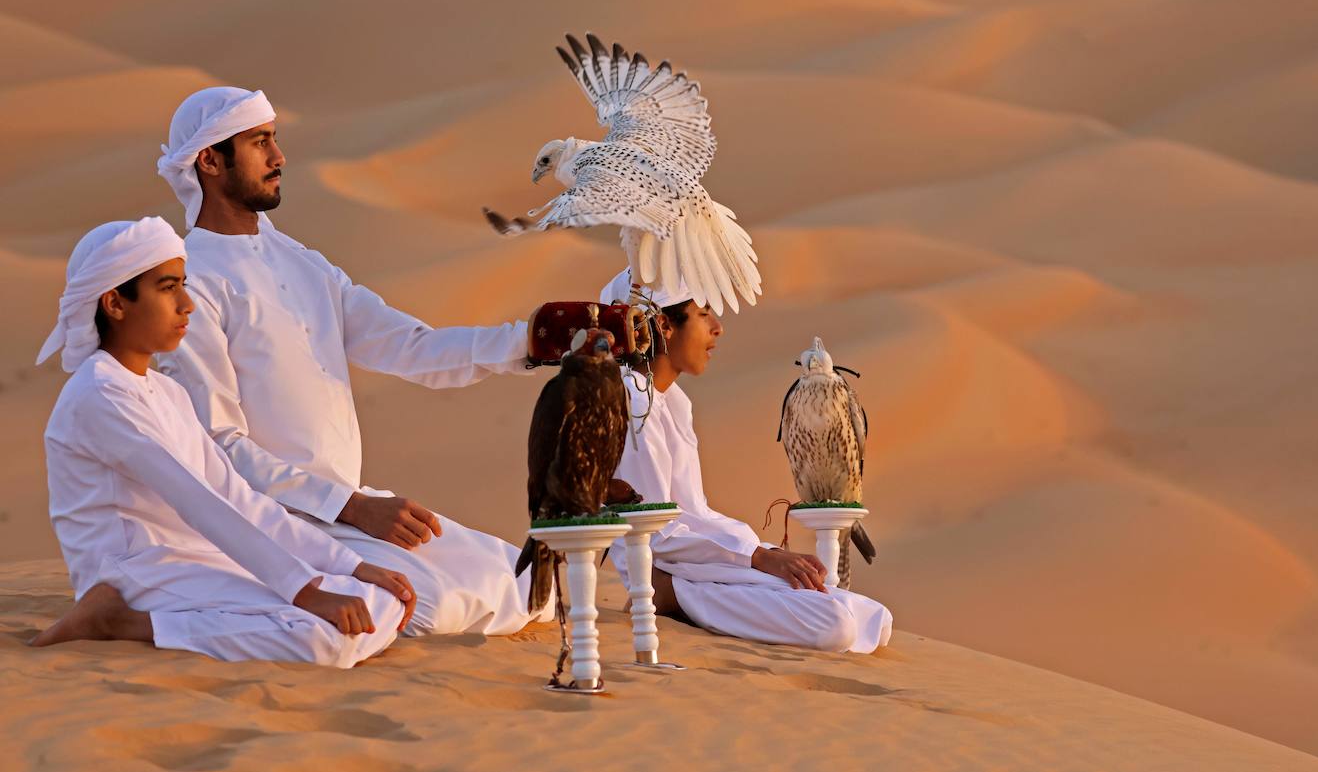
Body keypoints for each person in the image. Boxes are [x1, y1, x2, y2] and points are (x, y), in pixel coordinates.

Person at [154, 87, 549, 636]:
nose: (279, 157)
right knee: (427, 608)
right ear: (210, 161)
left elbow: (412, 347)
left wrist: (533, 342)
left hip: (349, 513)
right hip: (274, 522)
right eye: (260, 142)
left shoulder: (306, 264)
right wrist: (351, 506)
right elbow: (218, 447)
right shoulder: (190, 282)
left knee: (534, 588)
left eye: (275, 139)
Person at [32, 217, 414, 667]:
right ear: (115, 303)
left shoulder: (166, 391)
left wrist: (348, 566)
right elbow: (198, 501)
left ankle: (163, 620)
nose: (188, 305)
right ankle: (120, 622)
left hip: (196, 560)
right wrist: (307, 592)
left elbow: (234, 494)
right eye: (168, 288)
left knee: (376, 599)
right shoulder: (100, 396)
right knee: (327, 641)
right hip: (136, 573)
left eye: (184, 286)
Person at [602, 269, 892, 653]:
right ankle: (673, 603)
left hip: (703, 565)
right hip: (668, 574)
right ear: (663, 325)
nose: (717, 328)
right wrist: (753, 557)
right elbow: (656, 534)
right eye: (704, 313)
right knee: (835, 625)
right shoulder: (635, 403)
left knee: (875, 619)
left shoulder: (673, 402)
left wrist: (765, 554)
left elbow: (695, 512)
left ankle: (706, 597)